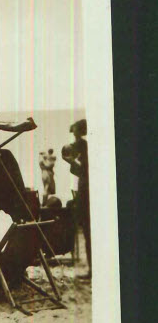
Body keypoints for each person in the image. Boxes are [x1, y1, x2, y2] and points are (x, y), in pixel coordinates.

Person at [63, 119, 90, 278]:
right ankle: (93, 269)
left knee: (87, 229)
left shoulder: (82, 144)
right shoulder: (83, 145)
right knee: (87, 231)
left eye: (75, 132)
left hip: (86, 189)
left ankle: (93, 269)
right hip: (85, 186)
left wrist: (71, 161)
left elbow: (83, 170)